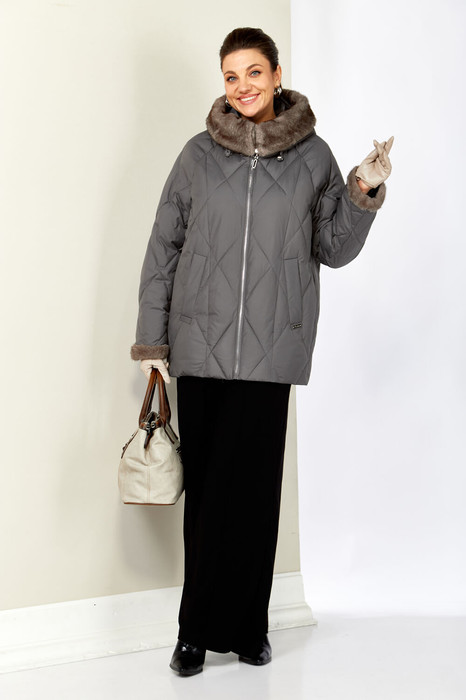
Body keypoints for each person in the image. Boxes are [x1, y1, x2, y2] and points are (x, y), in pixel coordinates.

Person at [130, 27, 393, 677]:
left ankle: (250, 629)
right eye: (231, 76)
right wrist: (152, 340)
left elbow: (333, 247)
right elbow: (163, 249)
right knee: (208, 497)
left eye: (254, 72)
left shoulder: (314, 157)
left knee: (254, 497)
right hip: (200, 347)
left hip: (273, 349)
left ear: (277, 75)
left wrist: (362, 190)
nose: (242, 86)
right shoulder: (197, 155)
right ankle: (194, 633)